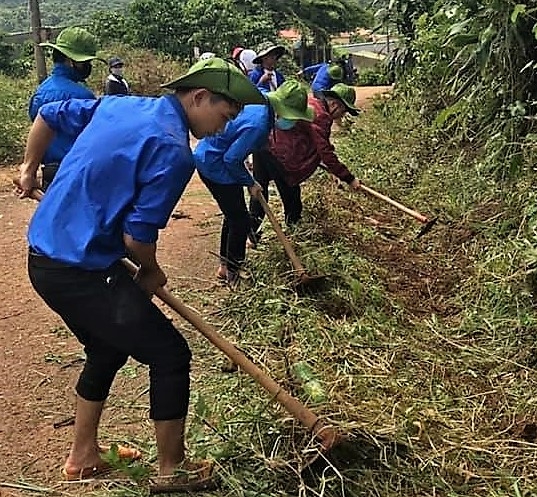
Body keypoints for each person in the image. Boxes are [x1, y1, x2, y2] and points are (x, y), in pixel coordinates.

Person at [16, 57, 265, 490]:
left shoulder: (120, 105)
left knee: (108, 347)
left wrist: (28, 167)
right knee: (170, 354)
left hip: (44, 257)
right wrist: (151, 272)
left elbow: (47, 115)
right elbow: (136, 240)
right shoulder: (172, 149)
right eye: (224, 116)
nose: (224, 128)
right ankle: (172, 470)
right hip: (79, 270)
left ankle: (83, 457)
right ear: (199, 97)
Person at [193, 79, 314, 284]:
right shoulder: (259, 125)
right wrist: (250, 182)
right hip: (215, 164)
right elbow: (231, 159)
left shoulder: (261, 99)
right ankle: (233, 272)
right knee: (240, 220)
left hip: (213, 158)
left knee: (233, 215)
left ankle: (225, 266)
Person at [249, 83, 361, 235]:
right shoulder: (321, 116)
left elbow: (317, 143)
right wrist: (349, 178)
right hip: (282, 158)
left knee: (259, 192)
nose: (341, 116)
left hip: (265, 146)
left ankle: (252, 231)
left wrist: (334, 170)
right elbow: (325, 151)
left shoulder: (309, 102)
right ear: (335, 104)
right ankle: (293, 236)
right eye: (343, 111)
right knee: (293, 204)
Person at [29, 26, 99, 190]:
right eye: (85, 62)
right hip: (75, 174)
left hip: (50, 173)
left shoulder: (41, 91)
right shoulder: (82, 96)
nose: (88, 66)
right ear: (71, 61)